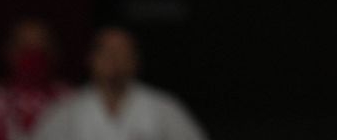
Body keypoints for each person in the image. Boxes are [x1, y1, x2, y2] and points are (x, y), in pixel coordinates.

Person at [32, 28, 207, 140]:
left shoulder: (163, 108)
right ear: (91, 59)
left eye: (122, 52)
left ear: (135, 61)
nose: (114, 59)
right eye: (106, 52)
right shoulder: (66, 111)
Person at [0, 19, 69, 140]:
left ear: (54, 52)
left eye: (41, 49)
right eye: (25, 48)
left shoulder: (69, 102)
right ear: (9, 51)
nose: (34, 55)